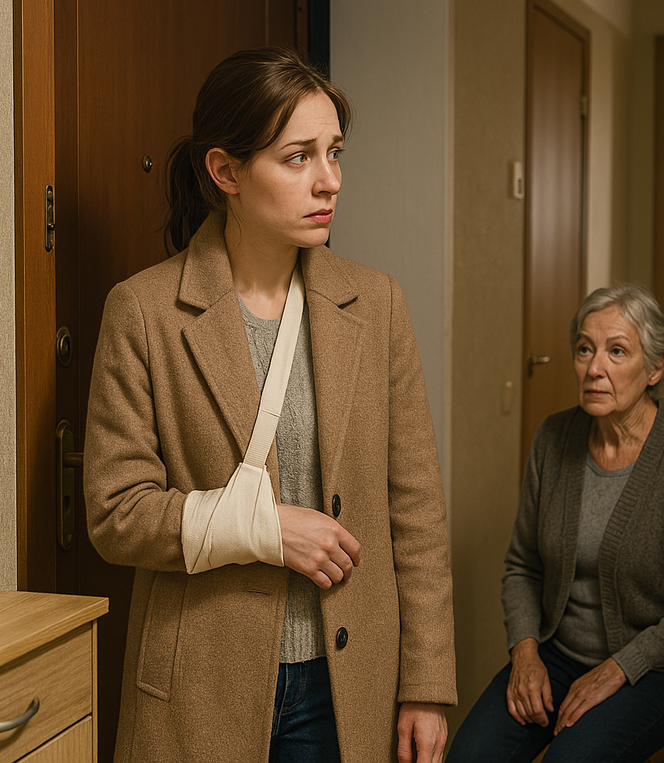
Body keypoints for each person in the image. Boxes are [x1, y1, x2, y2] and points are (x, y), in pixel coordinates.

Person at [84, 47, 456, 763]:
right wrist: (264, 529)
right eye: (298, 158)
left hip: (347, 683)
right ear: (226, 172)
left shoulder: (376, 305)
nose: (330, 180)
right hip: (201, 683)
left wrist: (427, 685)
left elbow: (416, 512)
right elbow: (114, 513)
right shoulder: (144, 311)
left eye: (335, 153)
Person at [447, 285, 664, 763]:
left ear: (655, 367)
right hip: (555, 655)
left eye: (617, 351)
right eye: (584, 349)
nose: (594, 367)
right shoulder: (553, 437)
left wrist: (619, 668)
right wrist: (525, 653)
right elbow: (523, 566)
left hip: (654, 668)